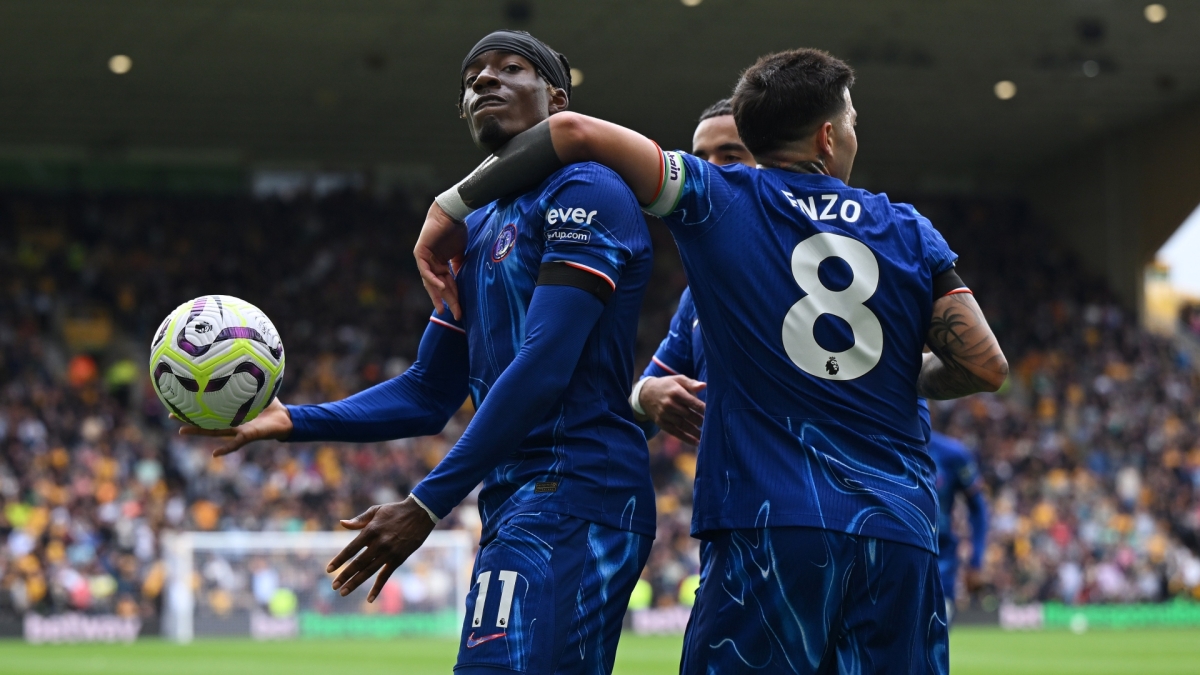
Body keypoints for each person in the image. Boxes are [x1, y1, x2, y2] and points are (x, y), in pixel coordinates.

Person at [417, 48, 1009, 674]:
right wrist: (895, 370)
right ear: (828, 136)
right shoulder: (909, 229)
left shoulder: (718, 198)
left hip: (768, 523)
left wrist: (448, 209)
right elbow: (985, 366)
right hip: (898, 530)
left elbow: (570, 131)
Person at [181, 30, 655, 674]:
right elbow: (430, 391)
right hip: (518, 499)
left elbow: (544, 365)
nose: (484, 80)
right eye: (472, 77)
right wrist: (293, 419)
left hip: (580, 489)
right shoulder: (476, 227)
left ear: (557, 98)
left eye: (510, 68)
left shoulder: (586, 189)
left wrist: (426, 503)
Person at [633, 98, 755, 443]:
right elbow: (638, 408)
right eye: (701, 159)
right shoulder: (701, 293)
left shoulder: (825, 265)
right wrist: (644, 395)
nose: (710, 172)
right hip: (726, 477)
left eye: (730, 157)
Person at [928, 430, 989, 624]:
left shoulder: (952, 454)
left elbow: (978, 508)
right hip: (895, 551)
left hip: (940, 557)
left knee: (938, 630)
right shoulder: (883, 442)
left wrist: (976, 560)